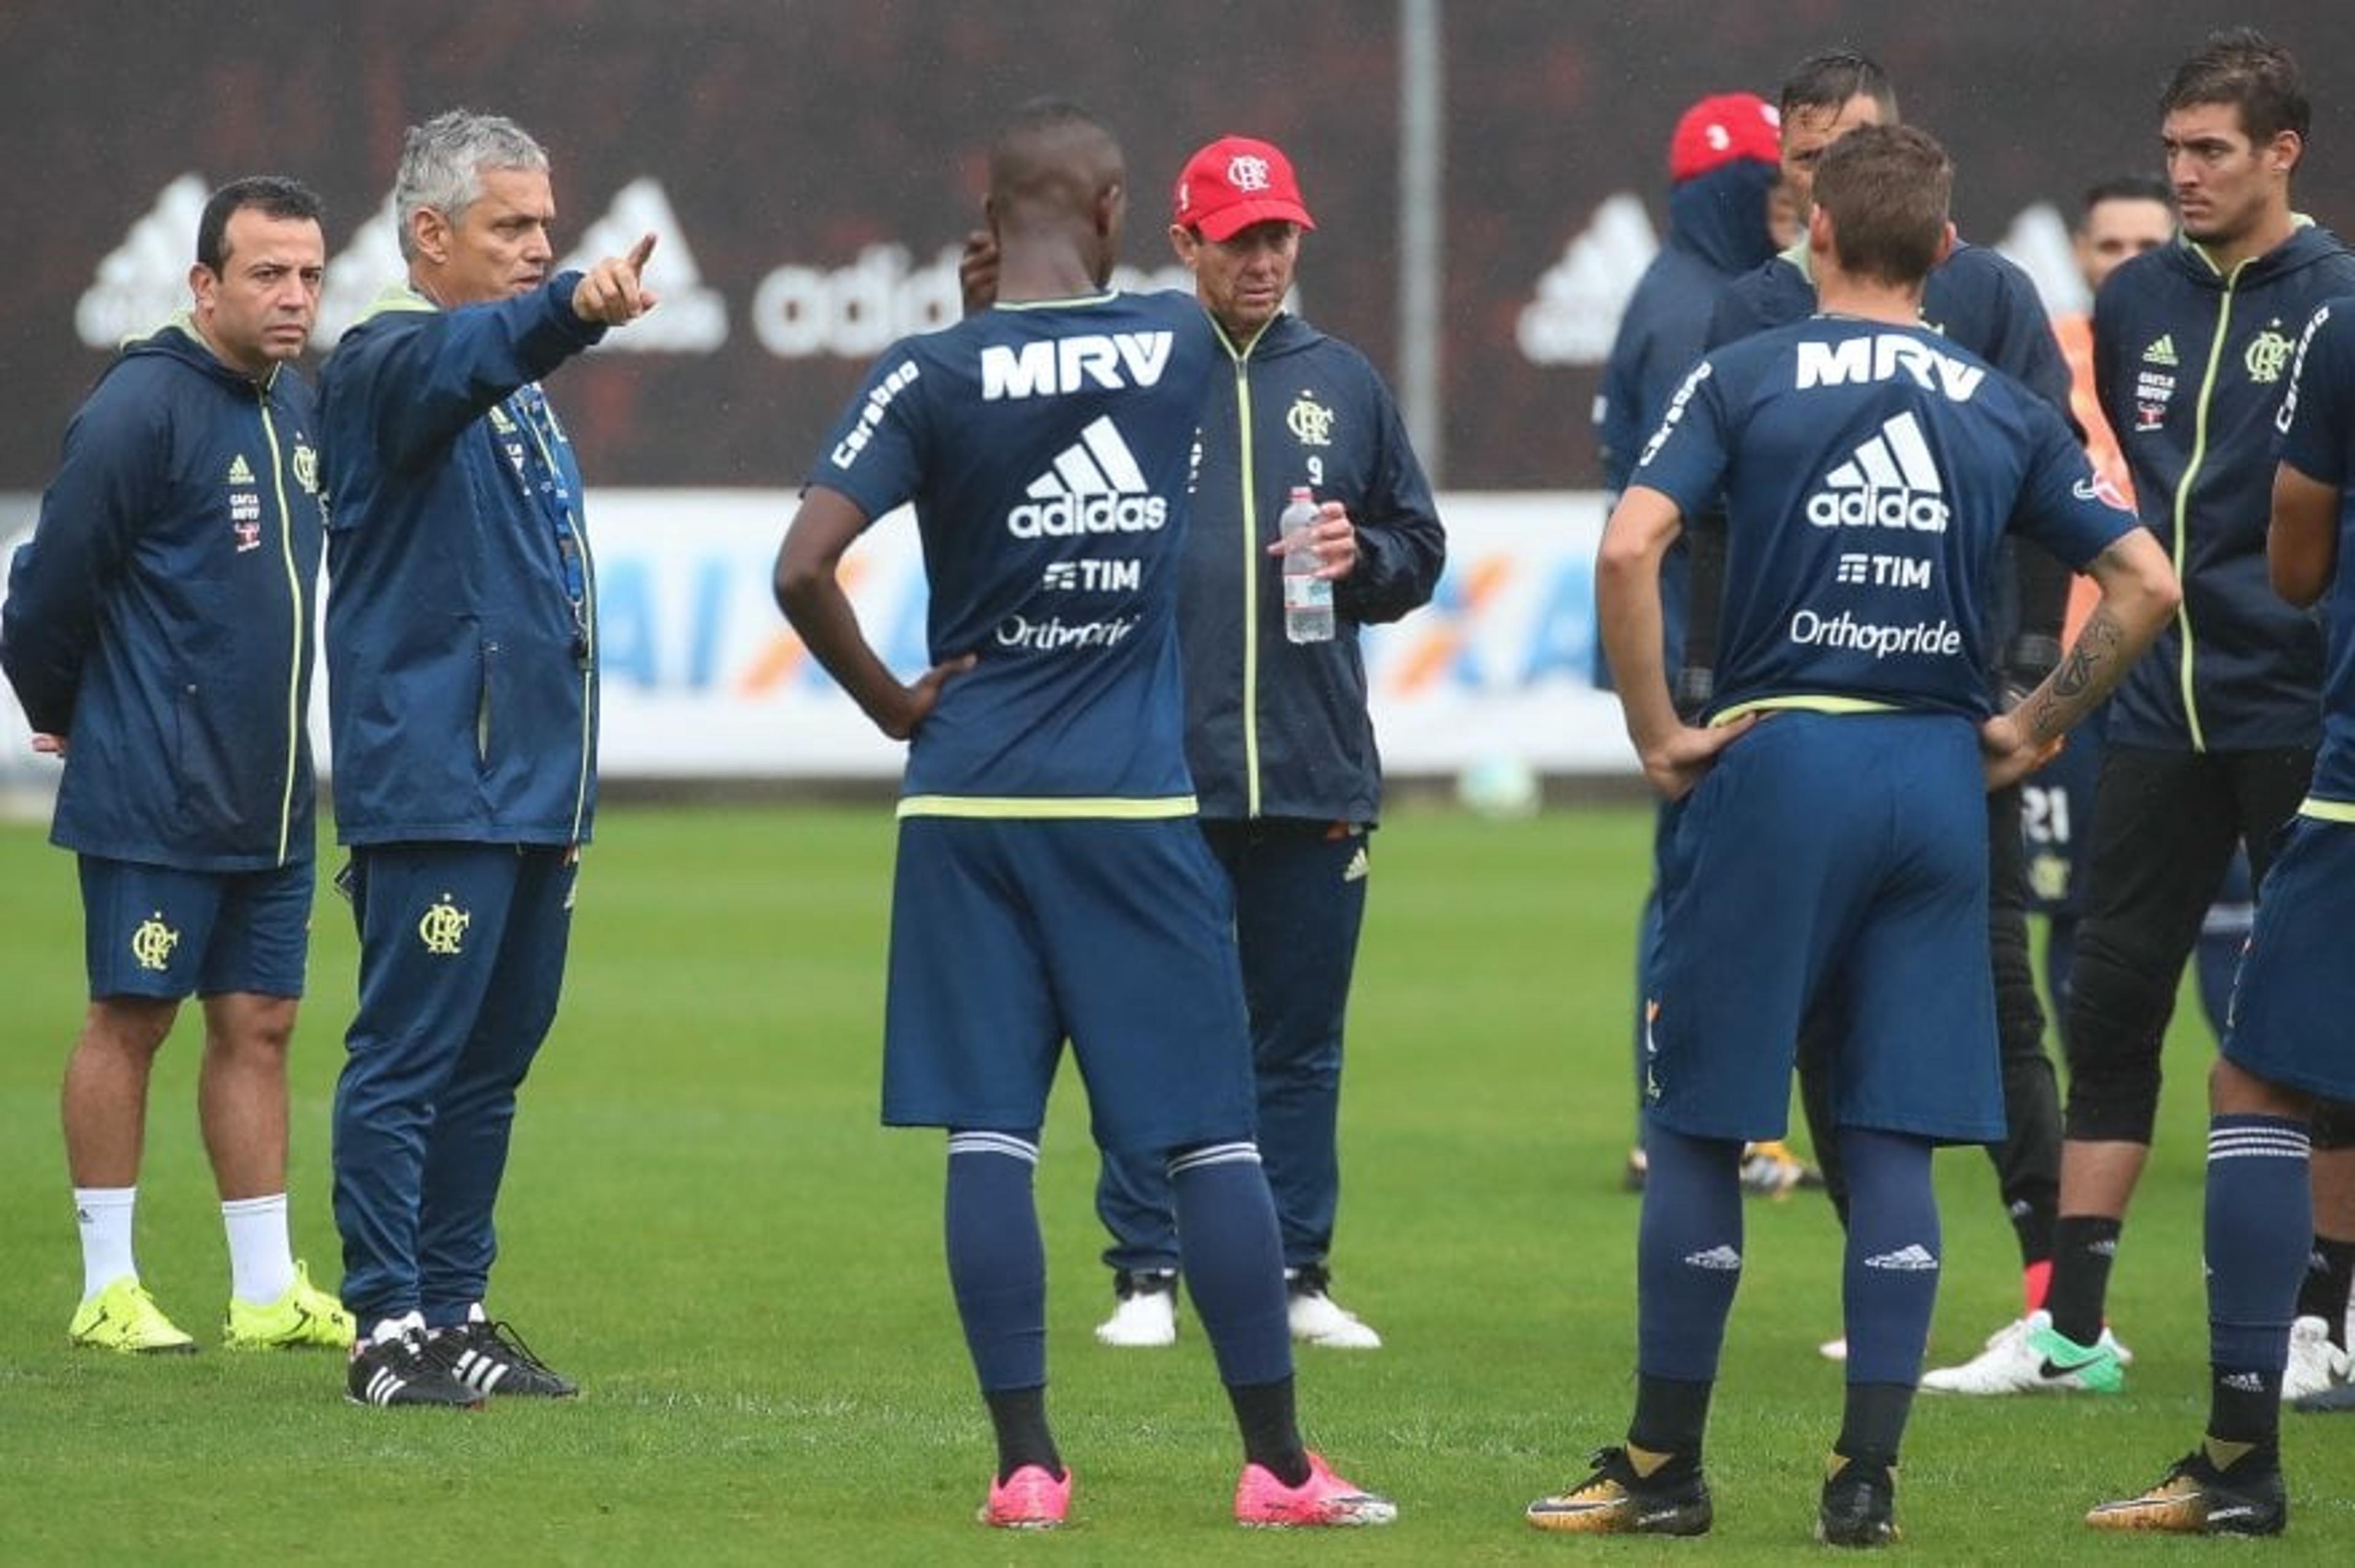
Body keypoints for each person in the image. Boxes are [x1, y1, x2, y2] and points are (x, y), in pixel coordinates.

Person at [1524, 123, 2178, 1545]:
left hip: (1783, 761)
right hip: (1936, 780)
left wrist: (1656, 731)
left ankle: (1663, 1463)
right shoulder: (1999, 400)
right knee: (1891, 1132)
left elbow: (1629, 546)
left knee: (1704, 1120)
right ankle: (1864, 1478)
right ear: (1948, 252)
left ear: (1812, 234)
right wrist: (2032, 722)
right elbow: (2142, 578)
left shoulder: (1744, 370)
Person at [775, 99, 1395, 1531]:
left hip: (966, 801)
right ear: (1119, 214)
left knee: (992, 1136)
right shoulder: (1186, 347)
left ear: (989, 228)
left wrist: (891, 704)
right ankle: (1280, 1469)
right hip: (1127, 801)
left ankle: (1028, 1469)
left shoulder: (928, 368)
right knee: (1210, 1139)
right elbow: (1199, 365)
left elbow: (804, 566)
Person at [1689, 49, 2083, 1367]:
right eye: (1805, 156)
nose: (1827, 177)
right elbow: (1705, 531)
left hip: (1957, 716)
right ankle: (1887, 1295)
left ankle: (2049, 1293)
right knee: (1814, 1016)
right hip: (1788, 722)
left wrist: (2032, 685)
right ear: (1791, 180)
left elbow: (2061, 504)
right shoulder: (1749, 312)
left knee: (1995, 989)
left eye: (1848, 149)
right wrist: (1704, 700)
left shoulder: (1985, 296)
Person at [1073, 135, 1446, 1353]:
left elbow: (1417, 547)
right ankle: (1146, 1273)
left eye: (1281, 236)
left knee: (1297, 1042)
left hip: (1312, 764)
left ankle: (1294, 1270)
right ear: (1185, 244)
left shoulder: (1341, 380)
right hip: (1156, 769)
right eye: (1241, 240)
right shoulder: (1128, 373)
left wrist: (1366, 561)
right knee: (1150, 1024)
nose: (1265, 260)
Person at [2028, 28, 2355, 1404]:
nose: (2185, 175)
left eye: (2212, 149)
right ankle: (2071, 1332)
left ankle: (2322, 1320)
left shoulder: (2338, 303)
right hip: (2160, 714)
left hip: (2299, 718)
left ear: (2284, 151)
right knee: (2108, 1005)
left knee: (2314, 1029)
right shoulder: (2139, 300)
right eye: (2173, 150)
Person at [319, 110, 659, 1409]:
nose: (539, 246)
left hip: (530, 792)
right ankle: (383, 1323)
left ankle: (454, 1307)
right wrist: (574, 305)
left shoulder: (509, 396)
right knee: (409, 1057)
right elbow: (479, 353)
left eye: (547, 228)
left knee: (490, 1063)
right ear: (429, 234)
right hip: (438, 786)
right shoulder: (389, 365)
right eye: (511, 227)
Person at [1, 177, 354, 1355]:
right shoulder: (140, 406)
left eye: (309, 272)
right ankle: (109, 1284)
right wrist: (63, 707)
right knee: (133, 1017)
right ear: (204, 285)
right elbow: (46, 586)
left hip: (273, 792)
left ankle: (264, 1291)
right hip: (154, 779)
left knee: (259, 1022)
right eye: (267, 273)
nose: (294, 294)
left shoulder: (294, 411)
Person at [2085, 285, 2355, 1534]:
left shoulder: (2338, 325)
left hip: (2343, 779)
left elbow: (2293, 552)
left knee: (2255, 1086)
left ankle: (2243, 1455)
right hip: (2201, 730)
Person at [1590, 92, 1807, 1199]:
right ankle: (1684, 1118)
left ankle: (1688, 1113)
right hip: (1698, 645)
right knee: (1702, 889)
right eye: (1768, 176)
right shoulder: (1700, 311)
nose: (1788, 195)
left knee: (1696, 884)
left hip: (1686, 638)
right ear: (1724, 187)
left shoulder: (1682, 290)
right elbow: (1690, 514)